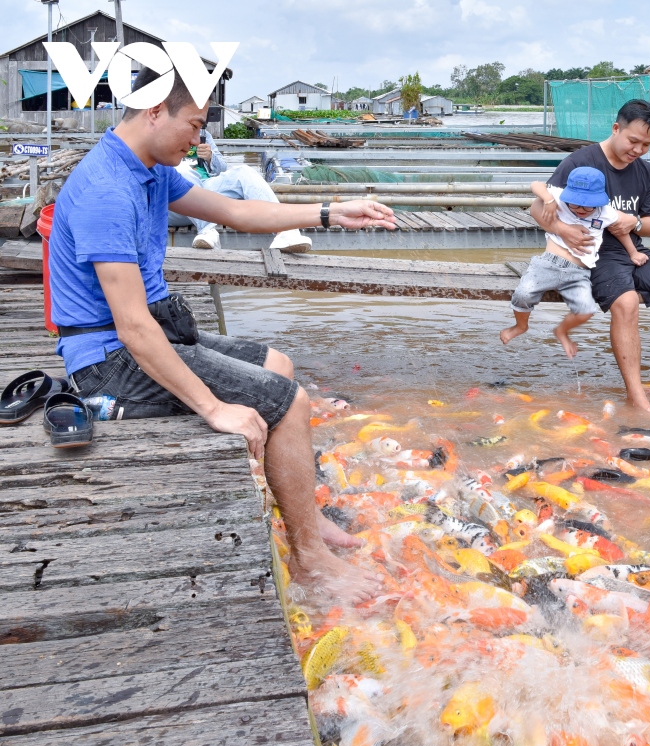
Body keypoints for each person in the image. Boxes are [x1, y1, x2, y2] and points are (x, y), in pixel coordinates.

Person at [48, 68, 396, 603]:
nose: (199, 139)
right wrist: (213, 407)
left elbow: (234, 210)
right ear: (155, 111)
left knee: (276, 363)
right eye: (194, 124)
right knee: (288, 401)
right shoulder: (106, 190)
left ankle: (302, 512)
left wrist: (330, 211)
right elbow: (133, 327)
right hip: (107, 362)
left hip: (144, 335)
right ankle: (308, 558)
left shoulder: (148, 167)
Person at [536, 100, 650, 413]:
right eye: (633, 141)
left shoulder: (646, 172)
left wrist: (636, 222)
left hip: (633, 249)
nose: (639, 150)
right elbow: (537, 208)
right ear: (616, 129)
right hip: (591, 252)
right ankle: (637, 397)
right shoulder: (580, 163)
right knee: (626, 303)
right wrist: (566, 230)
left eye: (647, 144)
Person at [501, 167, 646, 358]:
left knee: (586, 310)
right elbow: (536, 185)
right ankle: (520, 326)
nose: (581, 210)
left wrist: (633, 252)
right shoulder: (559, 197)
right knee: (523, 294)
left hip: (580, 271)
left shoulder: (606, 212)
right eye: (576, 204)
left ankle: (562, 331)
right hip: (548, 264)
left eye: (588, 206)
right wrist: (549, 200)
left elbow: (621, 231)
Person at [167, 128, 311, 253]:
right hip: (174, 202)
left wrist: (211, 157)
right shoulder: (162, 135)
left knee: (244, 171)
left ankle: (285, 230)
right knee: (182, 172)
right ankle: (207, 230)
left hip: (205, 193)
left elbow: (221, 169)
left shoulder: (204, 134)